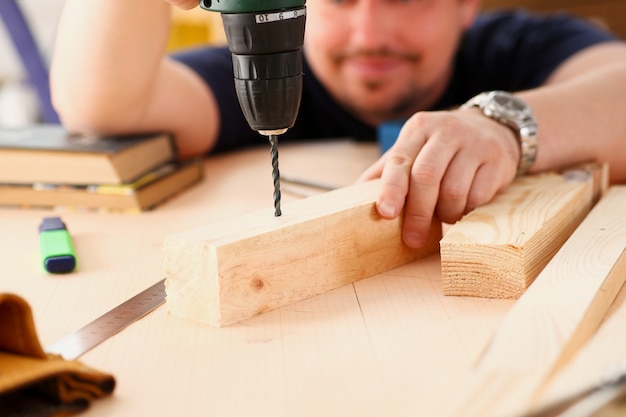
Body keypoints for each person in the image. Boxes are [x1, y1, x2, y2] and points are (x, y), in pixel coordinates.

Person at [50, 0, 626, 248]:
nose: (370, 34)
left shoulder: (519, 49)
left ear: (464, 5)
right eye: (343, 0)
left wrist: (501, 126)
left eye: (406, 0)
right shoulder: (269, 57)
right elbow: (105, 108)